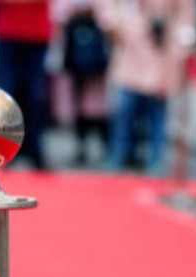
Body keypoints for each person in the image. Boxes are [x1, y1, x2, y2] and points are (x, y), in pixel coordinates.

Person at [100, 0, 196, 176]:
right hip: (130, 49)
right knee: (124, 109)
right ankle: (119, 155)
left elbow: (187, 14)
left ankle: (156, 159)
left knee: (157, 112)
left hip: (163, 50)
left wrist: (181, 45)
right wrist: (114, 25)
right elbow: (108, 9)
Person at [0, 0, 52, 170]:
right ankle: (5, 146)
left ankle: (33, 146)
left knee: (35, 96)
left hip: (35, 32)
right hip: (9, 31)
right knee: (6, 96)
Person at [58, 0, 110, 164]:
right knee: (77, 104)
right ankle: (81, 146)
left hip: (98, 58)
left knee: (101, 106)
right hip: (76, 56)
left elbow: (109, 18)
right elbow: (59, 15)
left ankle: (107, 147)